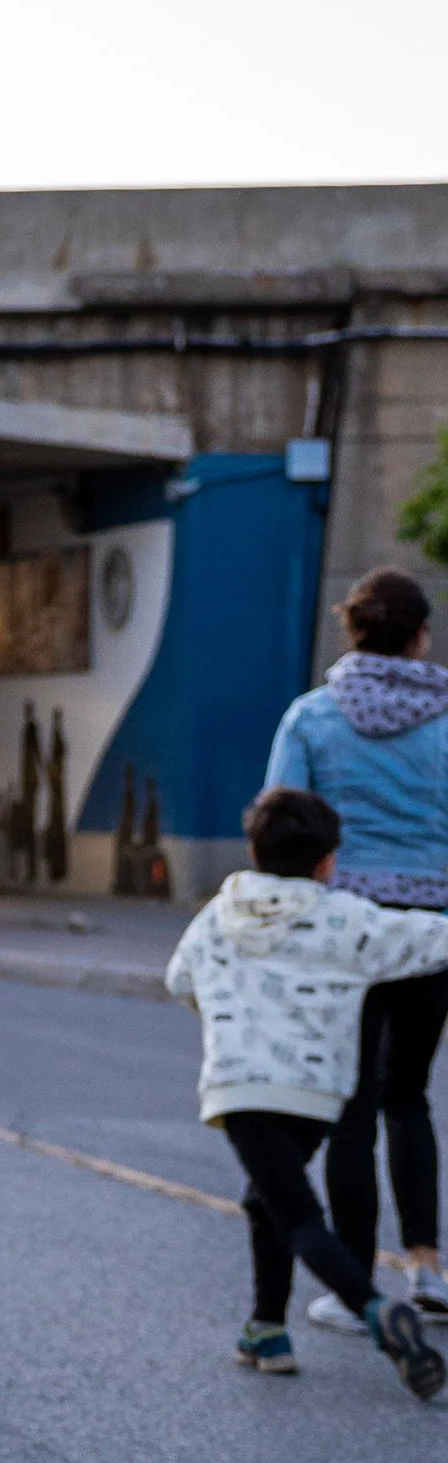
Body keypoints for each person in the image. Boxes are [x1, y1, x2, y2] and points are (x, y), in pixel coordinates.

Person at [165, 783, 448, 1397]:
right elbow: (426, 942)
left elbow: (179, 978)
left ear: (252, 850)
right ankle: (267, 1330)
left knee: (296, 1216)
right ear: (327, 862)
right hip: (317, 1096)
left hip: (243, 1092)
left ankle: (375, 1311)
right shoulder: (345, 918)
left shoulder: (217, 914)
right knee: (265, 1198)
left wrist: (225, 1015)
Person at [265, 566, 448, 1328]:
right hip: (434, 931)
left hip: (342, 930)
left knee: (350, 1108)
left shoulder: (311, 718)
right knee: (409, 1097)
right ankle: (430, 1271)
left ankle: (358, 1287)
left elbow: (279, 828)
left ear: (353, 630)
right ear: (419, 636)